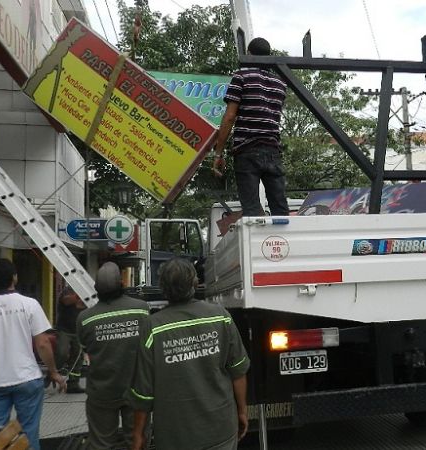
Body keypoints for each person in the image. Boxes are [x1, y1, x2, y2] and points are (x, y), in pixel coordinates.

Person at [129, 257, 250, 450]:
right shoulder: (220, 316)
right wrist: (242, 411)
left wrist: (137, 433)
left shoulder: (153, 326)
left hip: (175, 437)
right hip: (221, 430)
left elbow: (143, 392)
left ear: (163, 287)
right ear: (195, 283)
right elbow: (238, 371)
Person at [0, 258, 66, 450]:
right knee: (29, 433)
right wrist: (53, 371)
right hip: (27, 379)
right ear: (14, 278)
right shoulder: (30, 304)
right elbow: (42, 343)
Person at [212, 37, 289, 217]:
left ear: (249, 54)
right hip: (273, 151)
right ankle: (284, 243)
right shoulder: (280, 84)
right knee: (280, 208)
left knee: (252, 210)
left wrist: (218, 152)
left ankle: (259, 244)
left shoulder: (241, 77)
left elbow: (230, 116)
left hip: (247, 150)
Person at [77, 262, 150, 450]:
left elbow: (87, 350)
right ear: (122, 284)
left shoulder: (85, 318)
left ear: (96, 289)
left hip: (102, 392)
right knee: (137, 441)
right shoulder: (142, 310)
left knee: (101, 444)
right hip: (136, 391)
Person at [55, 285, 86, 393]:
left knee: (77, 357)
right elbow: (66, 300)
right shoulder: (68, 291)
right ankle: (53, 372)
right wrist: (79, 297)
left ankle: (73, 384)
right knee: (62, 352)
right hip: (64, 330)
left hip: (77, 331)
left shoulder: (86, 295)